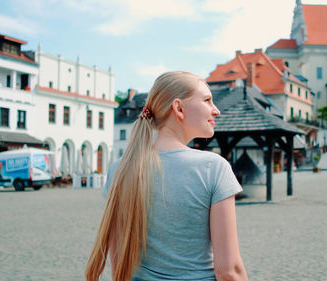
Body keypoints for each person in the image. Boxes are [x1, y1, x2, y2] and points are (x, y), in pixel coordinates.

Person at [86, 71, 248, 281]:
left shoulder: (121, 168)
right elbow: (229, 270)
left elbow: (119, 263)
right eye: (207, 100)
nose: (216, 110)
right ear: (179, 108)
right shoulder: (213, 168)